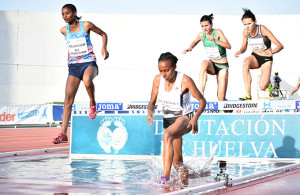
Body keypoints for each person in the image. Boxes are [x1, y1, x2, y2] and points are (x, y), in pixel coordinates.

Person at [53, 4, 109, 144]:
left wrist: (104, 48)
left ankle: (92, 103)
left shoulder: (86, 25)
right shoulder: (63, 30)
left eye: (67, 13)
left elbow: (103, 34)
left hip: (89, 63)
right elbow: (71, 45)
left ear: (75, 12)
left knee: (87, 80)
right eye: (62, 14)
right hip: (73, 66)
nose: (64, 16)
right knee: (68, 100)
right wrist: (69, 59)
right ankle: (63, 134)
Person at [147, 52, 206, 184]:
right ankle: (188, 178)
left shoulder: (185, 80)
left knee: (167, 135)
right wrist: (150, 111)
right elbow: (151, 102)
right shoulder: (157, 80)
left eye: (167, 70)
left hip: (185, 117)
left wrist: (195, 118)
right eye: (161, 71)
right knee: (177, 164)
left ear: (174, 67)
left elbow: (202, 101)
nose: (164, 74)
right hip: (168, 119)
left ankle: (165, 177)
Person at [235, 9, 284, 100]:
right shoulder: (245, 32)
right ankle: (248, 95)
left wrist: (272, 52)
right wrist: (239, 51)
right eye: (245, 24)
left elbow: (280, 46)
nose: (247, 27)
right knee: (245, 62)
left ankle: (270, 87)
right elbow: (244, 47)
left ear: (255, 21)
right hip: (255, 56)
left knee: (262, 86)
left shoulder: (263, 30)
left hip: (266, 58)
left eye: (249, 24)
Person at [183, 14, 231, 101]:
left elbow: (228, 46)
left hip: (222, 66)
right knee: (204, 63)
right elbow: (194, 42)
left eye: (206, 25)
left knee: (221, 98)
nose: (205, 28)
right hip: (212, 64)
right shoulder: (202, 35)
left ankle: (228, 109)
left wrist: (215, 40)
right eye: (202, 26)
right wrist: (190, 48)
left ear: (211, 25)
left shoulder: (217, 32)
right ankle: (201, 92)